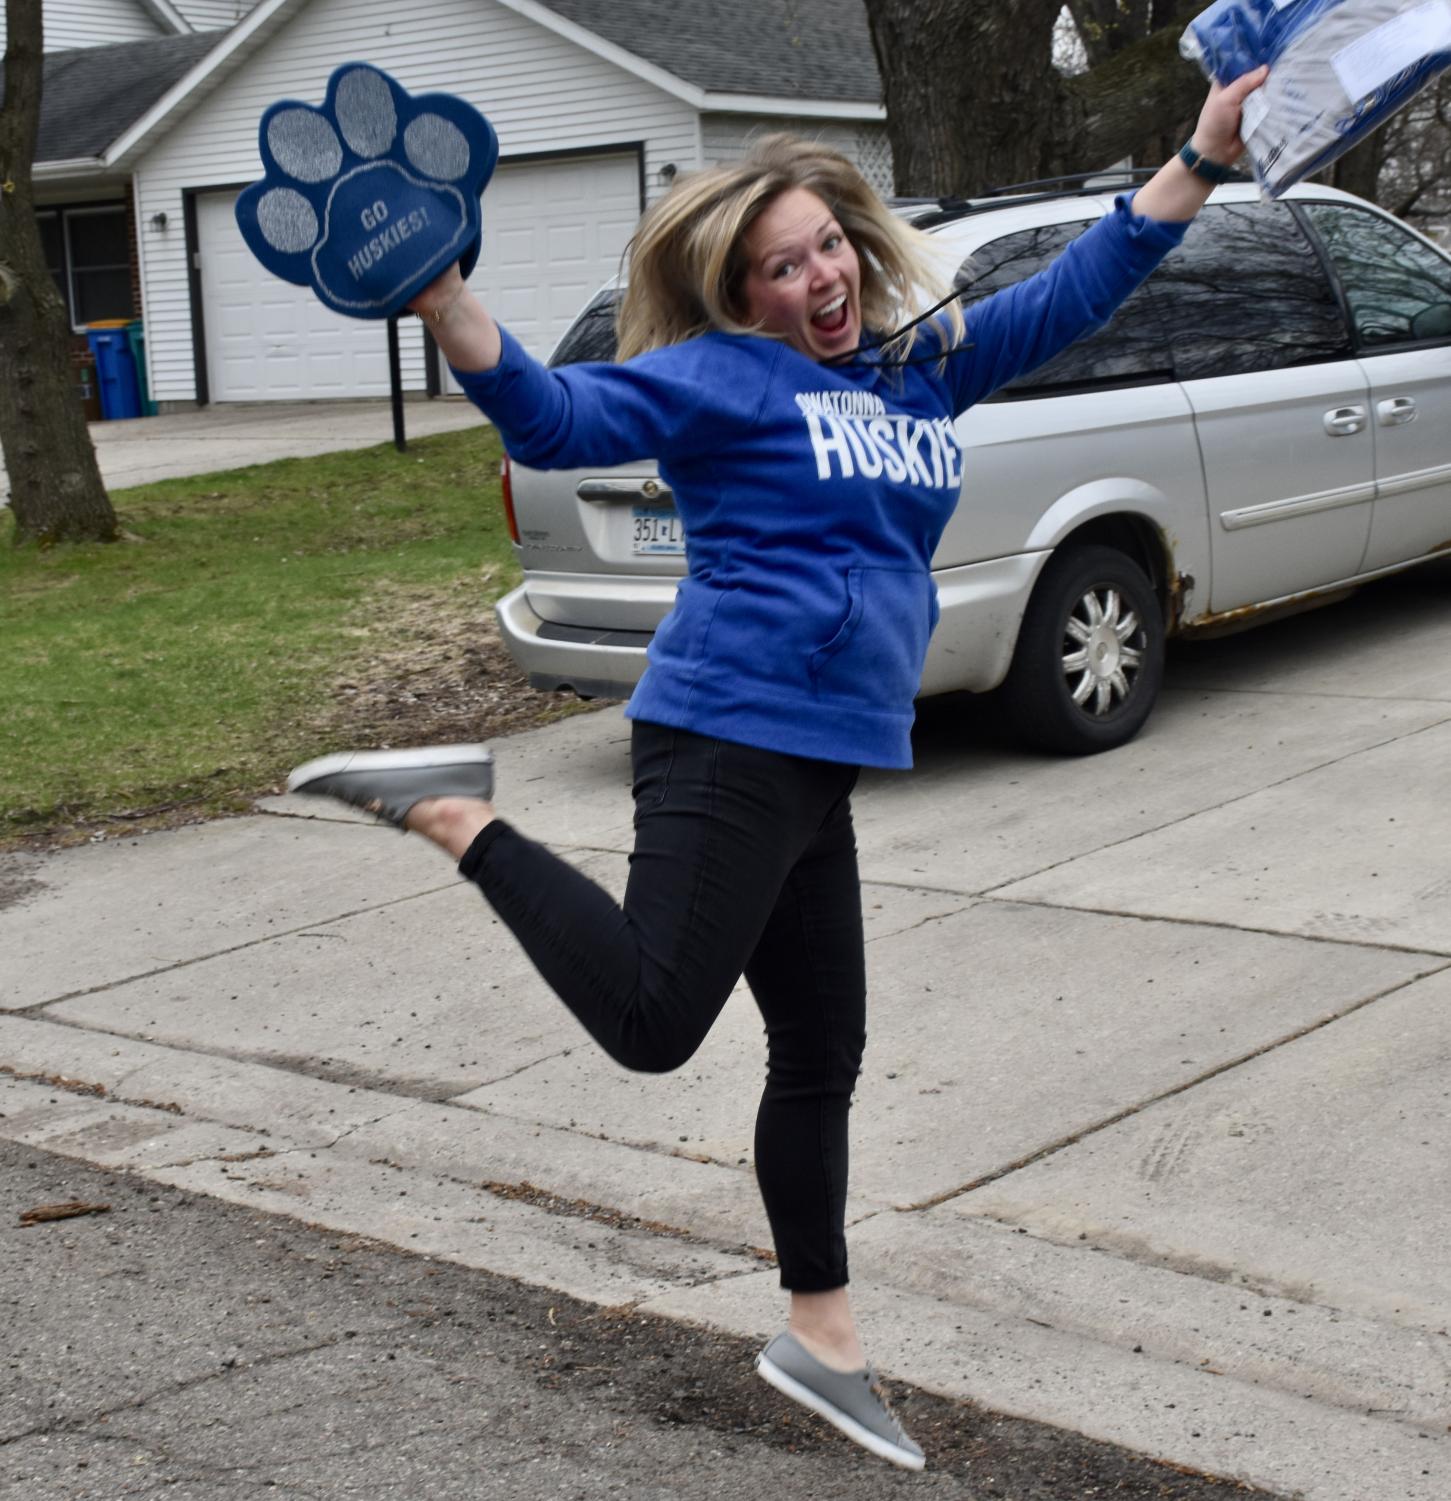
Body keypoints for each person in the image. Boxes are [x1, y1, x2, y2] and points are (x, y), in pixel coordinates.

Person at [287, 66, 1269, 1470]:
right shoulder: (722, 377)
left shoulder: (915, 369)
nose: (816, 276)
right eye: (778, 265)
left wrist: (1200, 152)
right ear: (741, 295)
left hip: (826, 758)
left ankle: (823, 1335)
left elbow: (1076, 289)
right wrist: (447, 301)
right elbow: (558, 421)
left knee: (822, 1053)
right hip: (731, 726)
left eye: (826, 248)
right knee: (652, 1019)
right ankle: (455, 812)